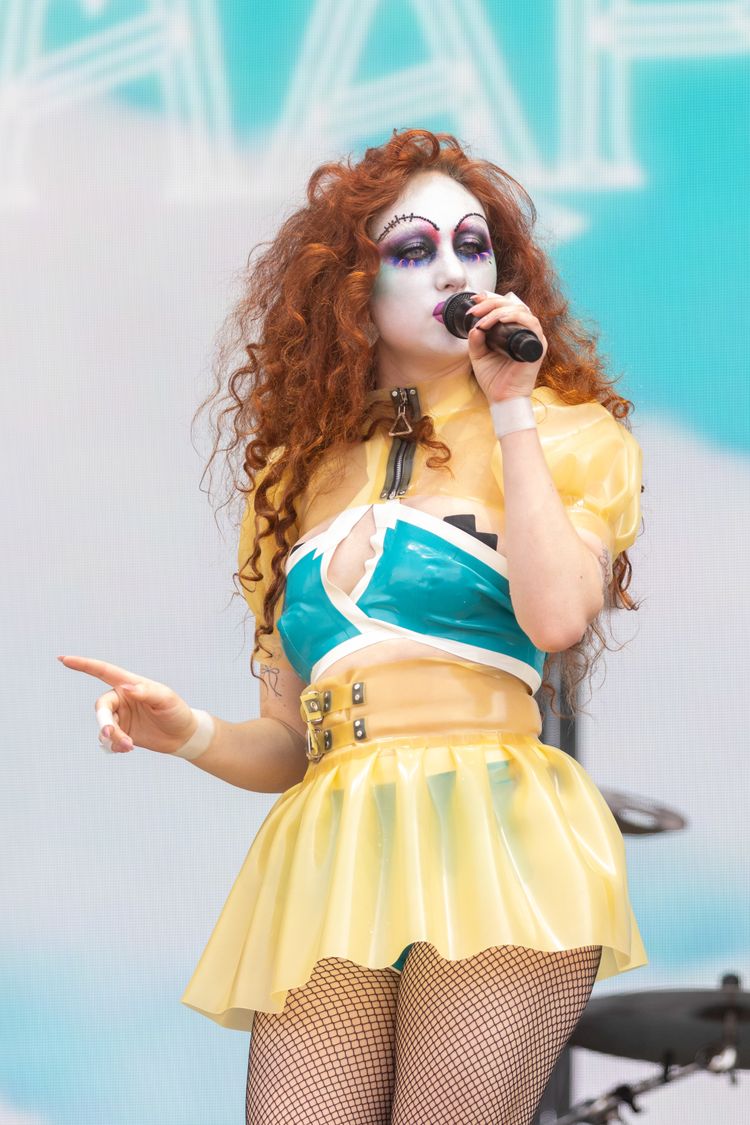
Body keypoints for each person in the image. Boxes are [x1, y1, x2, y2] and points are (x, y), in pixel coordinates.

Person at [59, 129, 647, 1125]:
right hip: (333, 844)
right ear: (352, 292)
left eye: (474, 245)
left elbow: (554, 618)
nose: (455, 270)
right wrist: (187, 733)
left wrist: (511, 410)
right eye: (414, 251)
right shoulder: (292, 477)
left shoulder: (568, 434)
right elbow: (289, 744)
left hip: (493, 825)